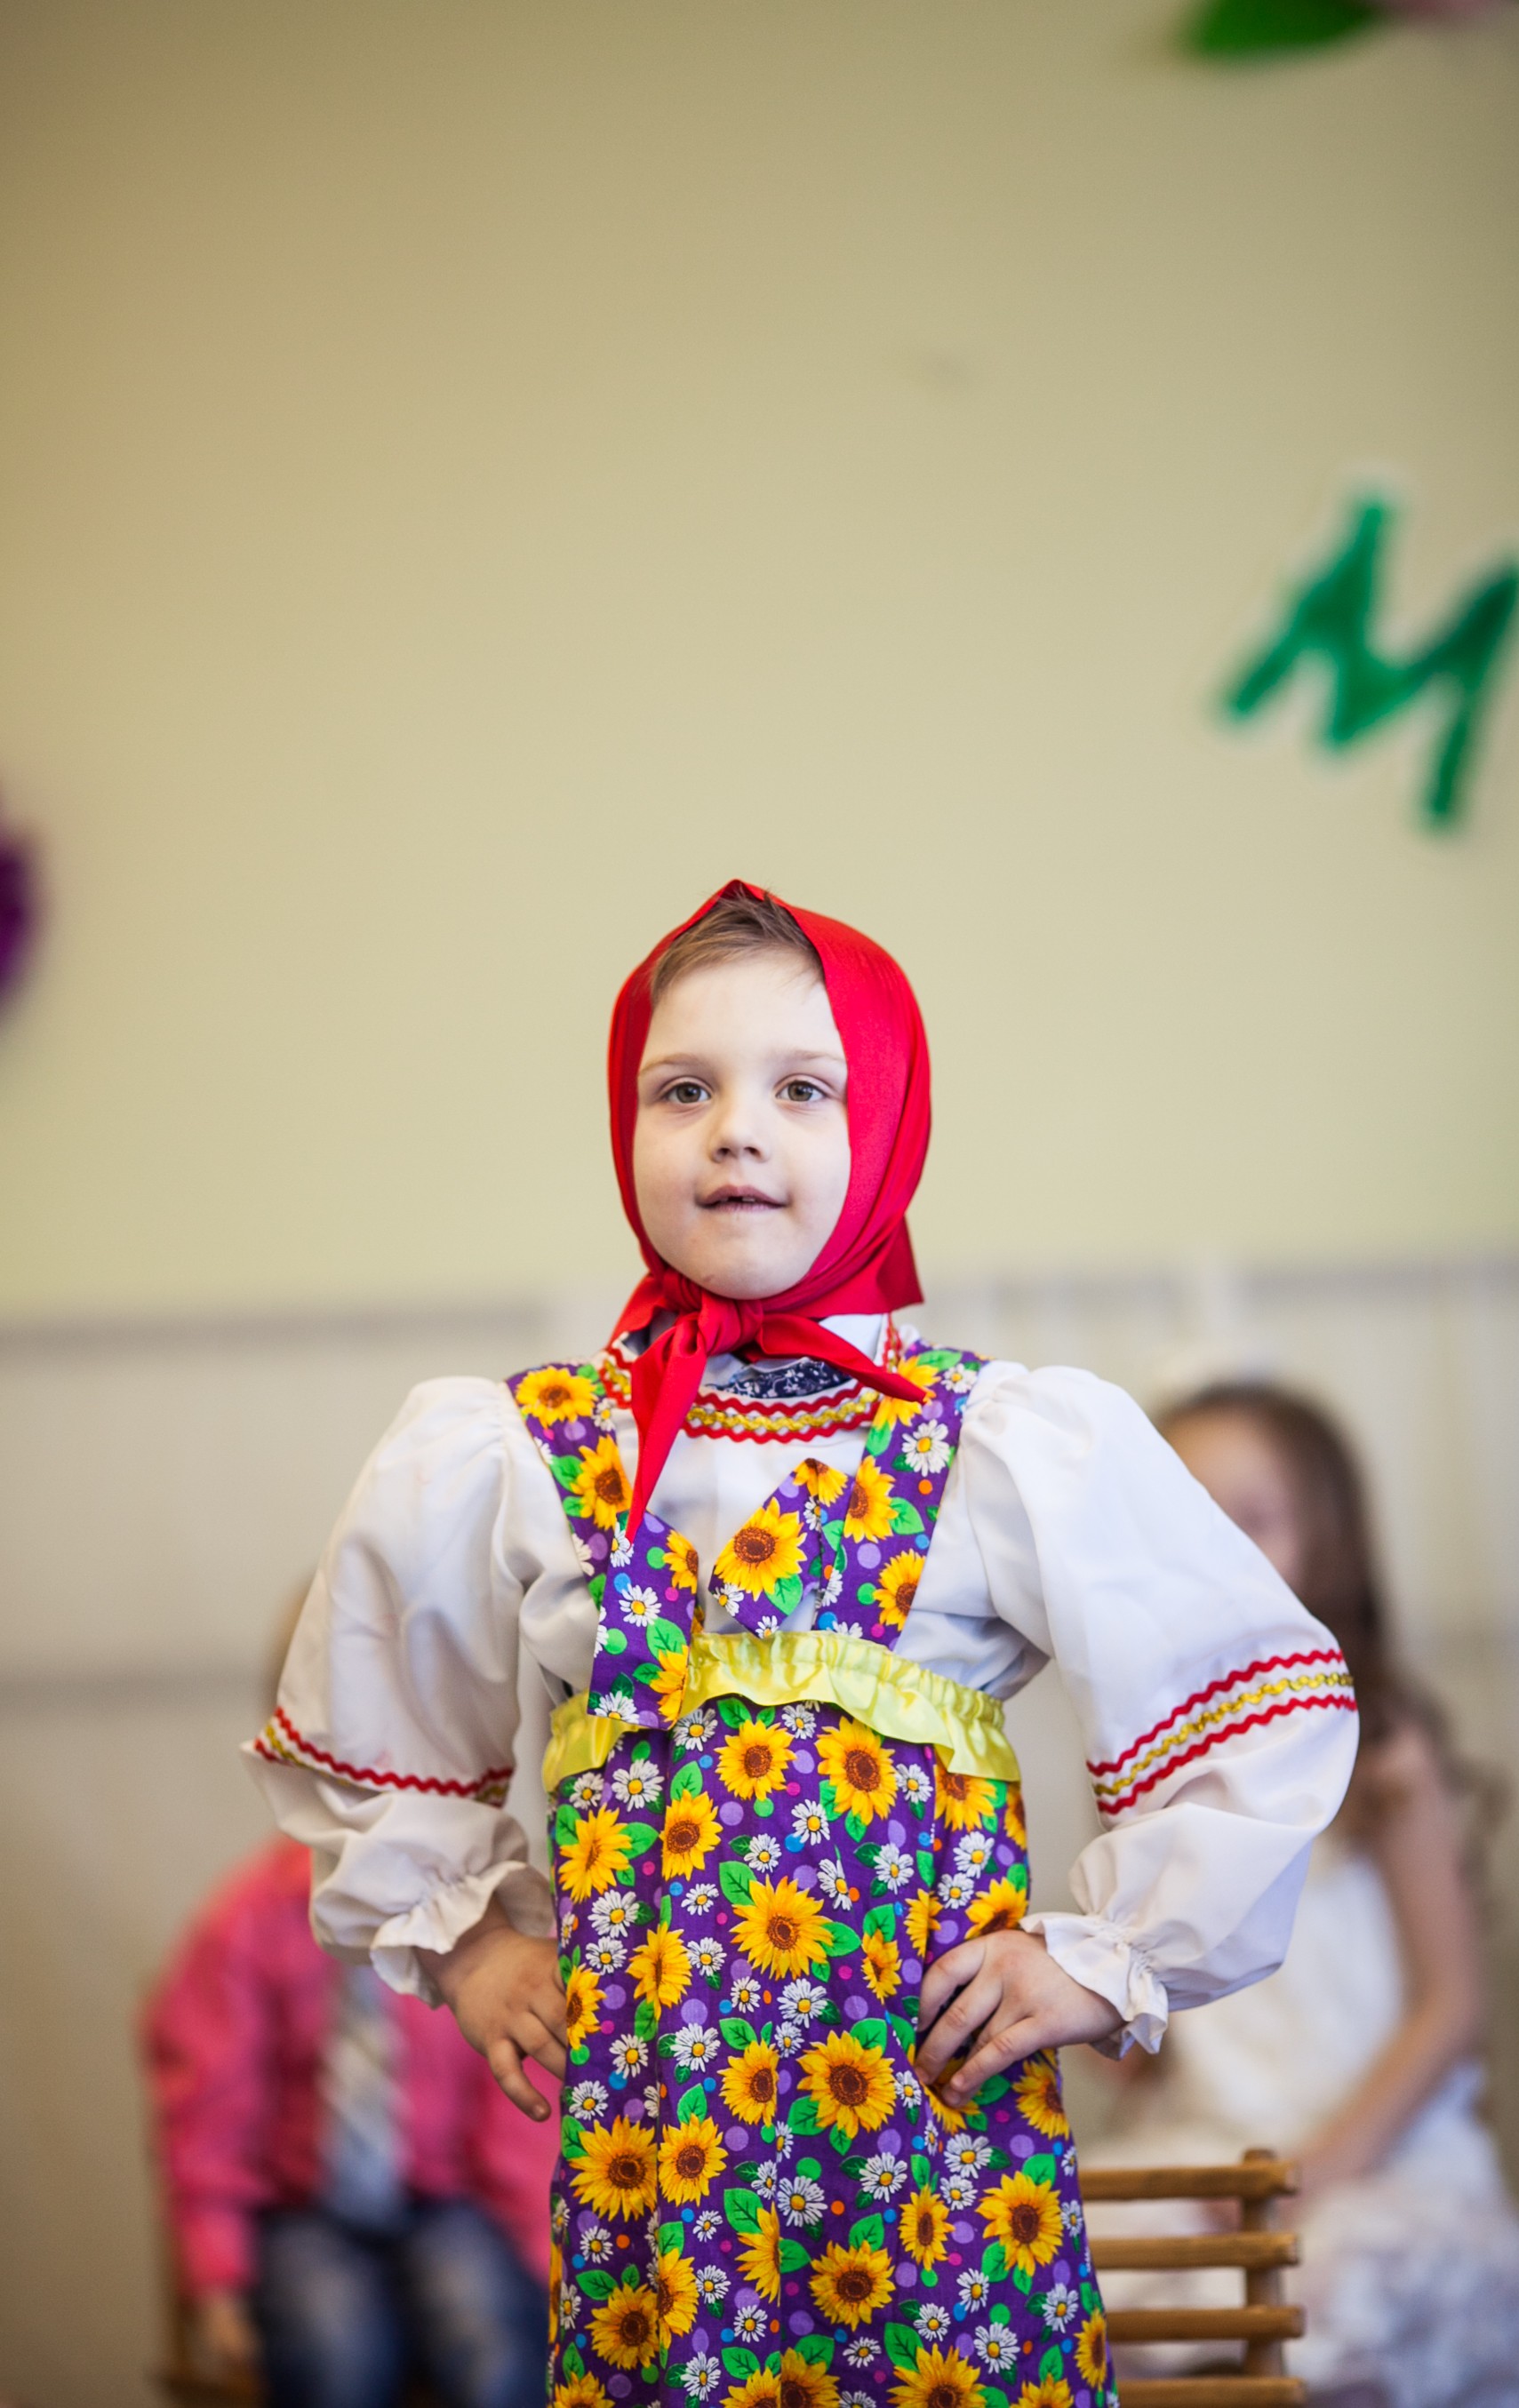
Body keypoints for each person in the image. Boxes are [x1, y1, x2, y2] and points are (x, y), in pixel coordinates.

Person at [249, 881, 1359, 2408]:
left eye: (801, 1089)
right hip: (660, 2155)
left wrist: (1104, 1962)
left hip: (930, 2131)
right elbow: (382, 1732)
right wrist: (476, 1942)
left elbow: (1252, 1706)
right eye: (681, 1089)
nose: (734, 1131)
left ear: (886, 1123)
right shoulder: (519, 1450)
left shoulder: (998, 1440)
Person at [1085, 1380, 1519, 2408]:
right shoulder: (1149, 1770)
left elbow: (1450, 2006)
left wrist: (1325, 2166)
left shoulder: (1382, 1753)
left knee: (1325, 2300)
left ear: (1324, 1542)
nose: (1213, 1549)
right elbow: (1155, 2026)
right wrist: (1108, 2015)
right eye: (1183, 1516)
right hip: (1209, 2158)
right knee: (1050, 2263)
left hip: (1379, 2159)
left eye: (1252, 1518)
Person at [143, 1829, 557, 2408]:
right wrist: (217, 2276)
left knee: (493, 2334)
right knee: (338, 2345)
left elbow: (517, 2114)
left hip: (441, 2201)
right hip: (303, 2210)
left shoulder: (469, 1916)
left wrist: (548, 2252)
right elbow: (209, 2115)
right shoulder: (247, 1918)